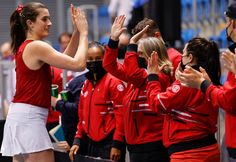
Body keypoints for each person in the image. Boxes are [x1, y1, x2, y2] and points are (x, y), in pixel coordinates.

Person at [0, 2, 88, 162]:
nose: (50, 23)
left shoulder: (31, 46)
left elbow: (66, 59)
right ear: (30, 23)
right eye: (45, 19)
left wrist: (76, 32)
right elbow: (78, 64)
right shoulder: (36, 46)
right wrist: (84, 34)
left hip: (24, 116)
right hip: (29, 118)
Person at [103, 15, 171, 162]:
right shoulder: (137, 77)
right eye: (136, 52)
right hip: (136, 145)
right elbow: (109, 65)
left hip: (153, 144)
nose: (135, 56)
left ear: (153, 55)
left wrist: (132, 43)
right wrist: (113, 40)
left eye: (140, 53)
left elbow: (133, 73)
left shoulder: (158, 75)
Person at [175, 3, 236, 161]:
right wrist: (209, 84)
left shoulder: (185, 80)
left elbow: (229, 101)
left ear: (232, 23)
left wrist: (204, 84)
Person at [146, 37, 221, 162]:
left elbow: (157, 103)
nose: (181, 57)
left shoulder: (187, 81)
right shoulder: (208, 77)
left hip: (189, 155)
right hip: (209, 149)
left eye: (183, 53)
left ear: (190, 58)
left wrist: (152, 76)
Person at [69, 42, 126, 162]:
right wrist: (77, 140)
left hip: (109, 143)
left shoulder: (114, 82)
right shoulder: (86, 84)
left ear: (105, 59)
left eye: (98, 58)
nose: (93, 62)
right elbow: (82, 116)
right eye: (89, 59)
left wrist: (117, 144)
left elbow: (122, 117)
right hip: (90, 142)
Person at [131, 17, 182, 82]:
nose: (141, 45)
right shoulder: (142, 58)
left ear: (157, 35)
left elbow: (179, 89)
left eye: (145, 41)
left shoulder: (176, 58)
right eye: (138, 42)